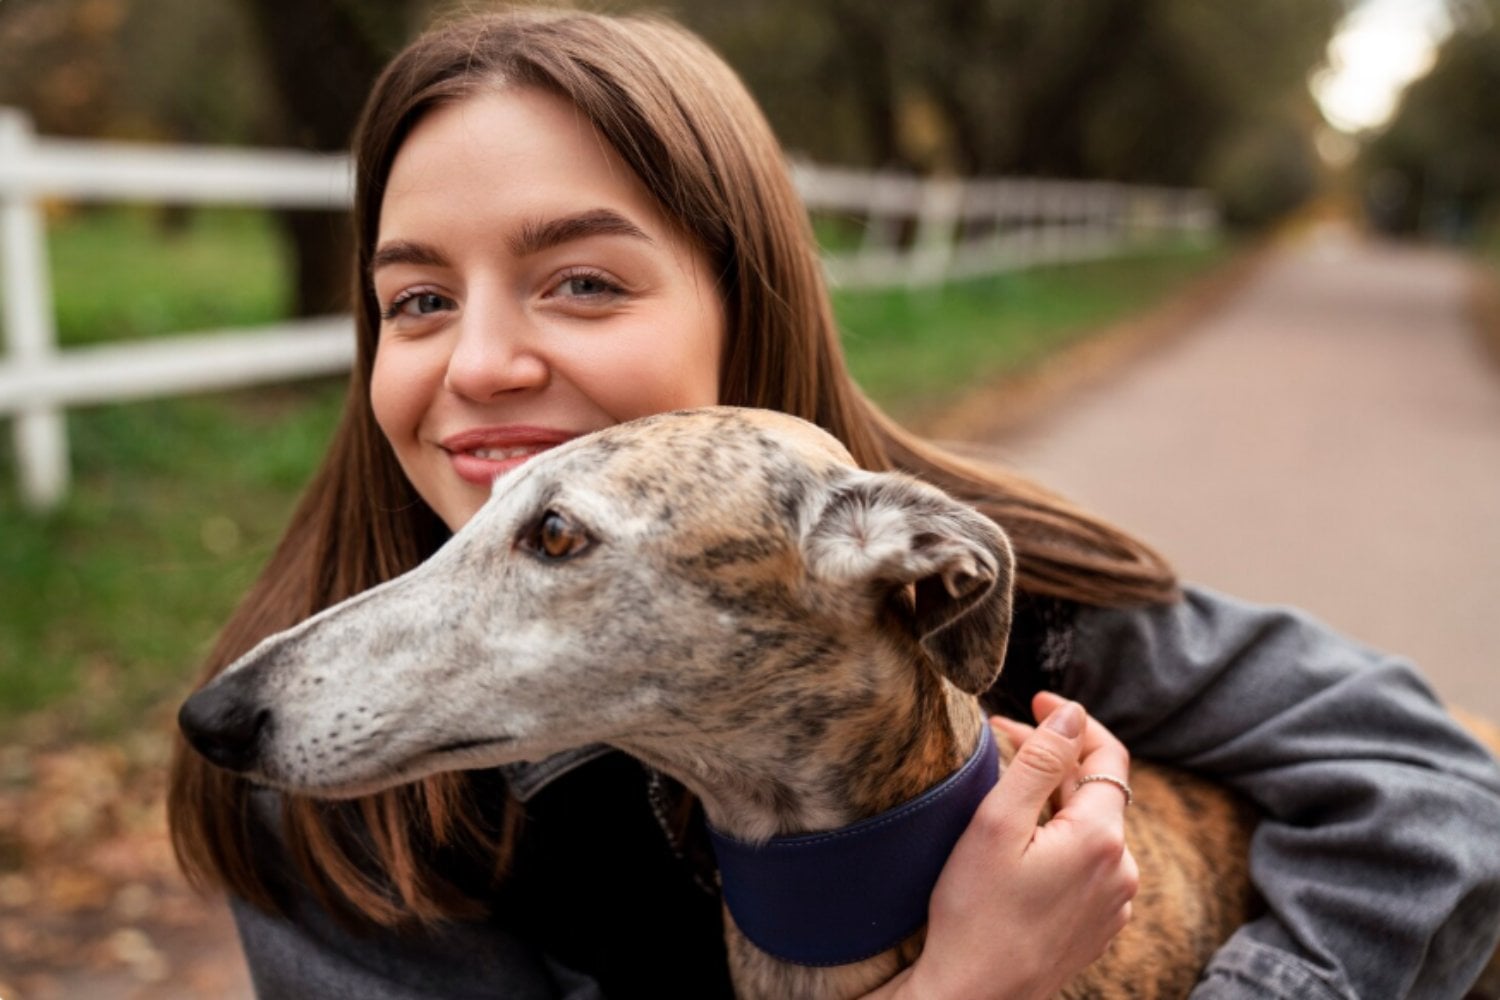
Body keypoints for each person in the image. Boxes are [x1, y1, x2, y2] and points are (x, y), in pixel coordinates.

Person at [167, 8, 1500, 998]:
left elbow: (1439, 785)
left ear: (749, 305)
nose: (479, 364)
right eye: (416, 300)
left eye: (582, 281)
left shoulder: (995, 593)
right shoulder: (315, 794)